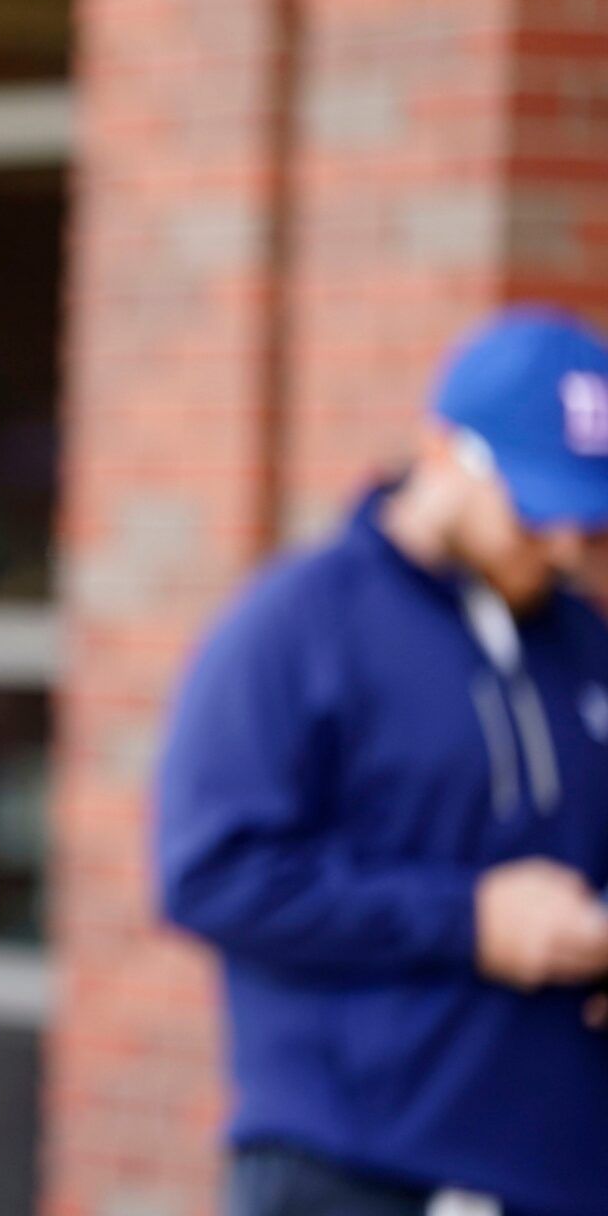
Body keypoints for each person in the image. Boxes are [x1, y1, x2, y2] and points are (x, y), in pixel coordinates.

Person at [157, 307, 608, 1216]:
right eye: (533, 504)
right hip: (354, 1169)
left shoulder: (584, 642)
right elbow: (209, 874)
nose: (563, 544)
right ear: (441, 452)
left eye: (586, 515)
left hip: (560, 1168)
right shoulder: (297, 626)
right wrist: (469, 920)